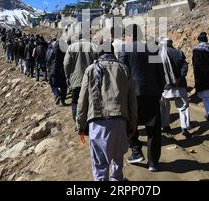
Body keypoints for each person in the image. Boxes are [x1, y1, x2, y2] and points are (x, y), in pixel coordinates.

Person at [76, 44, 138, 181]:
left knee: (99, 164)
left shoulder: (90, 70)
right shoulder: (124, 69)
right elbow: (132, 101)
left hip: (97, 122)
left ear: (98, 54)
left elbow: (82, 99)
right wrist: (133, 124)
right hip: (120, 121)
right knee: (117, 161)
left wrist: (80, 124)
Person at [118, 24, 165, 172]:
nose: (125, 39)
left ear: (130, 36)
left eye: (125, 36)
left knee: (129, 124)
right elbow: (160, 73)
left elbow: (122, 73)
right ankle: (153, 163)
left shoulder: (125, 49)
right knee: (153, 130)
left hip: (132, 94)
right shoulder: (152, 49)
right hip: (152, 93)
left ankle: (136, 151)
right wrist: (159, 91)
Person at [159, 38, 191, 138]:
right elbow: (185, 66)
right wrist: (179, 78)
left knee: (164, 108)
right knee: (183, 107)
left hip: (165, 86)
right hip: (179, 85)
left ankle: (166, 126)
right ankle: (184, 127)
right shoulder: (179, 53)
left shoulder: (158, 54)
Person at [64, 33, 97, 122]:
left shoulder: (71, 47)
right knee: (90, 101)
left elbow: (66, 64)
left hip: (76, 80)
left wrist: (68, 76)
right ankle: (89, 121)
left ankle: (77, 121)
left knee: (75, 101)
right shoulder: (93, 46)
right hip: (91, 79)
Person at [46, 38, 68, 106]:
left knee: (53, 84)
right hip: (62, 70)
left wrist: (48, 69)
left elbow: (47, 59)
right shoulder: (65, 51)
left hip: (53, 71)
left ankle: (57, 94)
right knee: (64, 86)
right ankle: (63, 100)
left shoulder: (52, 50)